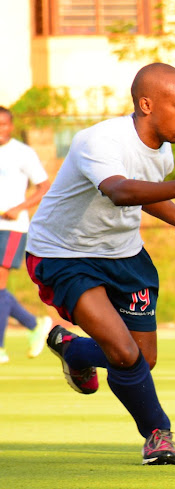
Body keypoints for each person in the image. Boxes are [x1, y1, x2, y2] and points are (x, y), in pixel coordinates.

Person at [25, 63, 175, 465]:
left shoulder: (163, 151)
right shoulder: (99, 141)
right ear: (146, 104)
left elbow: (146, 193)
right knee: (123, 353)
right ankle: (158, 433)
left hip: (124, 254)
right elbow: (119, 191)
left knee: (143, 358)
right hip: (66, 254)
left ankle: (75, 351)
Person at [0, 107, 53, 364]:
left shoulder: (22, 153)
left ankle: (0, 348)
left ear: (11, 125)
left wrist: (18, 208)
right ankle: (34, 324)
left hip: (11, 228)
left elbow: (44, 186)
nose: (1, 129)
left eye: (4, 124)